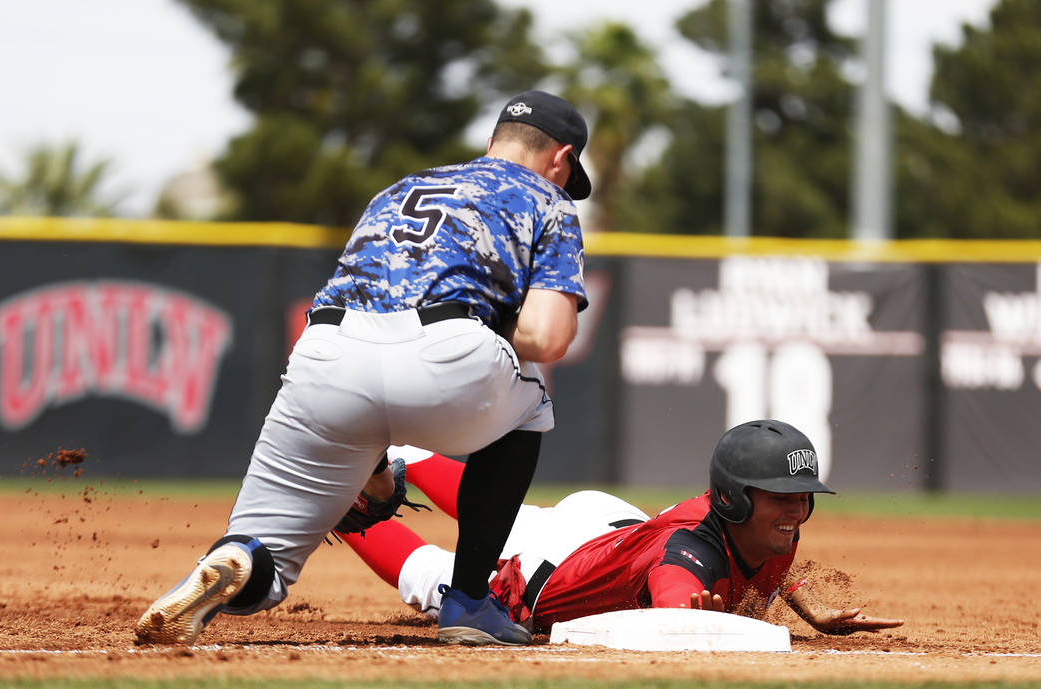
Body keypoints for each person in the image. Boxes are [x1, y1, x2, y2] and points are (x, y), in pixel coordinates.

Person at [135, 89, 592, 647]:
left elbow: (377, 318)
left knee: (268, 561)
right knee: (530, 400)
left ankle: (237, 557)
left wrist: (372, 468)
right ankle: (470, 601)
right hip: (446, 357)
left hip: (324, 355)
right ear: (561, 158)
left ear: (492, 141)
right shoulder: (548, 199)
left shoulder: (401, 188)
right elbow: (549, 336)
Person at [339, 420, 905, 636]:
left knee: (500, 515)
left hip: (608, 529)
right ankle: (342, 499)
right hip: (546, 575)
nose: (795, 512)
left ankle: (404, 453)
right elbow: (675, 599)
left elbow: (765, 561)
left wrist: (807, 604)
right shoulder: (690, 553)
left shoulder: (767, 526)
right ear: (734, 497)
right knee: (435, 577)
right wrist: (692, 624)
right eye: (780, 497)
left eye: (802, 499)